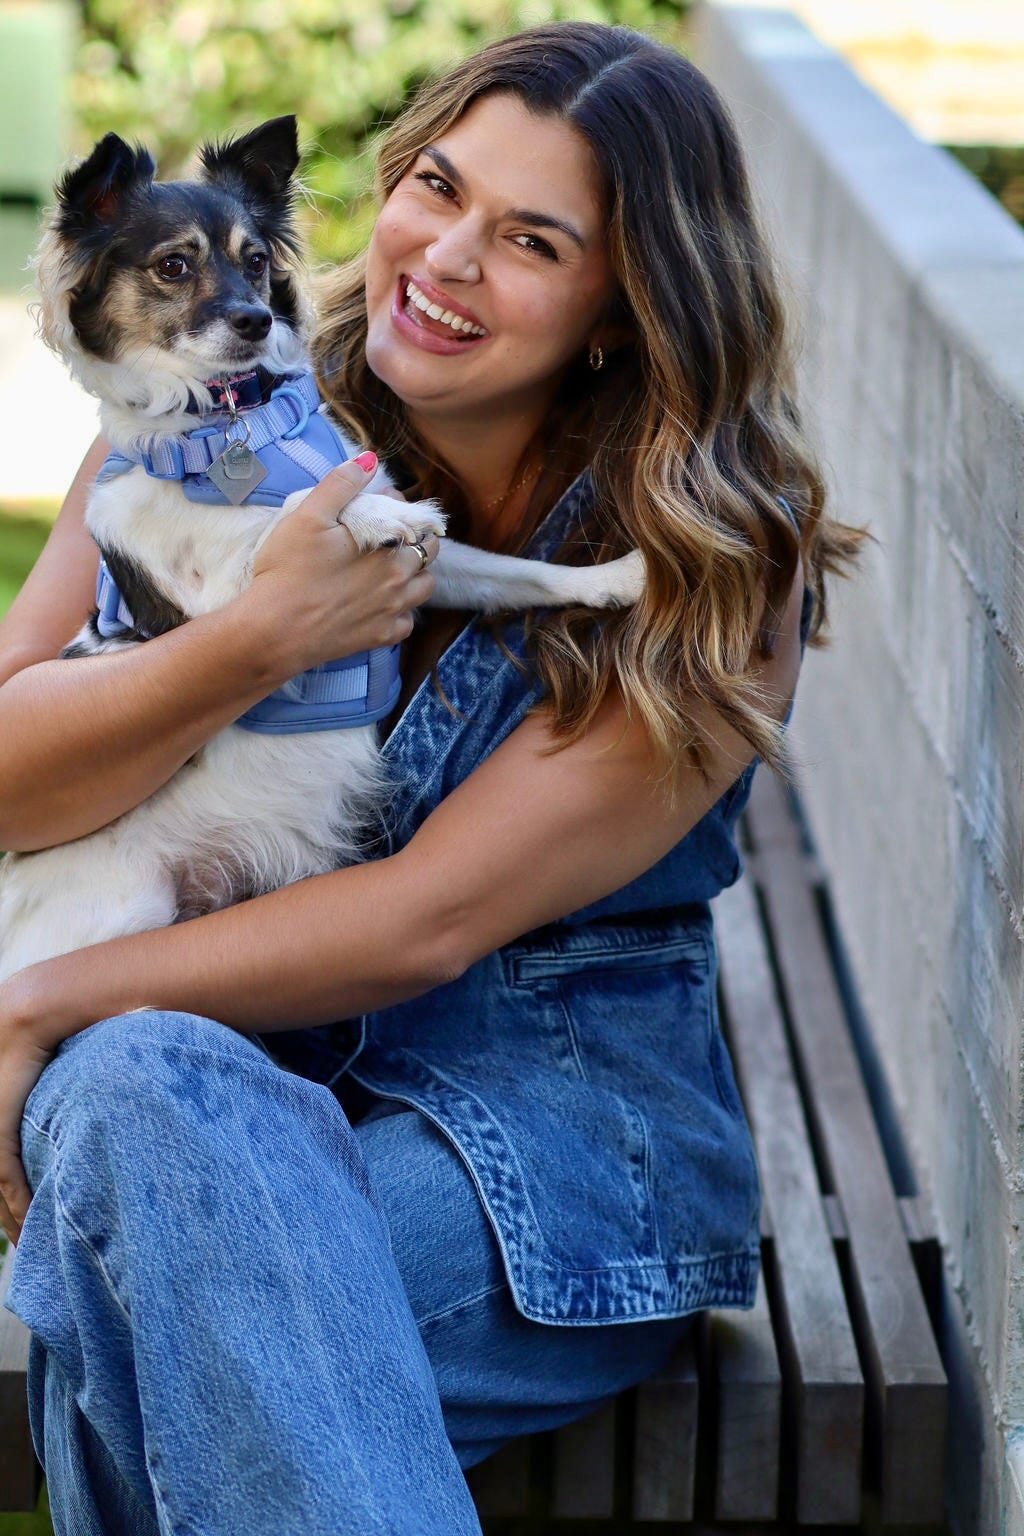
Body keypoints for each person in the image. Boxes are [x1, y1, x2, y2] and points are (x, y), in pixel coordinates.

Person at [0, 21, 863, 1535]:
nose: (447, 258)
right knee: (150, 1126)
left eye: (531, 241)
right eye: (439, 190)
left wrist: (26, 1007)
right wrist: (254, 640)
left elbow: (426, 920)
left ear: (623, 306)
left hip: (534, 1150)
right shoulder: (211, 415)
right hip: (188, 1093)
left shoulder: (708, 557)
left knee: (150, 1247)